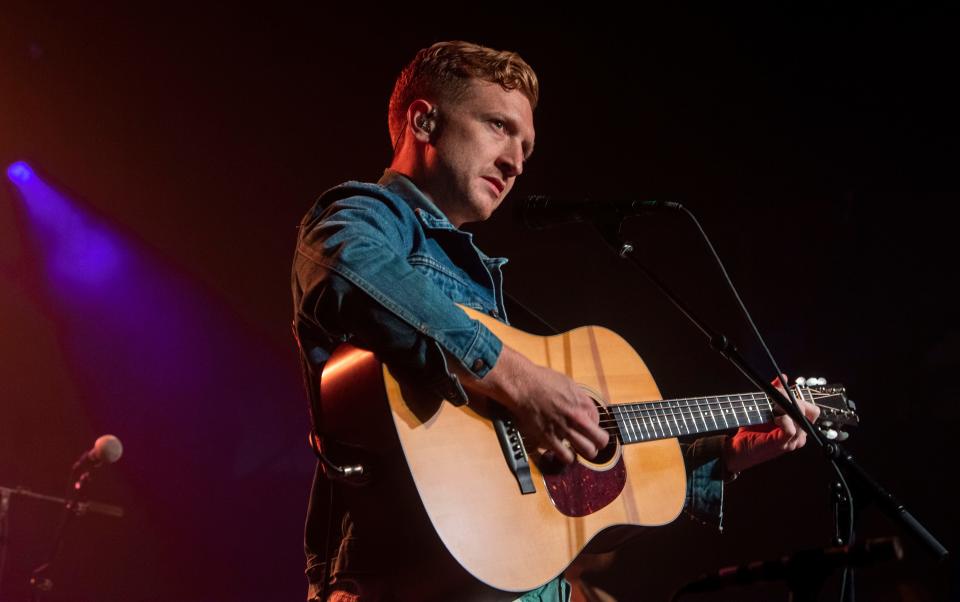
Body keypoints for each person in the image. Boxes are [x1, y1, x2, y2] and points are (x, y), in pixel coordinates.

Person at [291, 40, 820, 602]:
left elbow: (580, 490)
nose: (517, 162)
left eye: (527, 147)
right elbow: (342, 263)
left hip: (516, 582)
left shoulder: (482, 287)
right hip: (404, 580)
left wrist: (730, 453)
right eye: (498, 126)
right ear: (424, 121)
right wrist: (520, 380)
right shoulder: (373, 214)